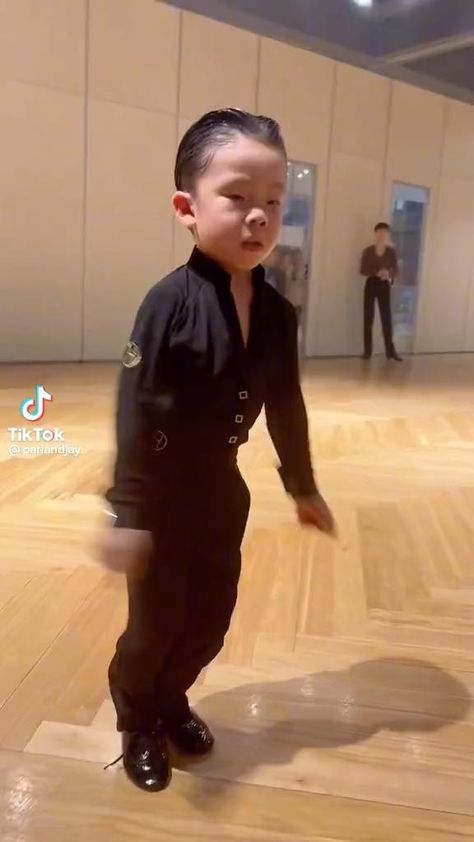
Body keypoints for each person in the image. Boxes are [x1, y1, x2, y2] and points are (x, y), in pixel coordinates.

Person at [98, 108, 335, 794]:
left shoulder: (278, 314)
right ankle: (139, 720)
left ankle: (172, 698)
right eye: (236, 196)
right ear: (188, 208)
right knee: (155, 625)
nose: (258, 215)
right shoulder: (168, 302)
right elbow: (136, 408)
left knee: (209, 622)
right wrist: (128, 514)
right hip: (161, 498)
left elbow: (286, 403)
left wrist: (302, 486)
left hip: (223, 495)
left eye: (273, 201)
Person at [360, 222, 402, 361]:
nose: (382, 236)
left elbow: (396, 269)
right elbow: (363, 269)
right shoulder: (368, 251)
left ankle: (390, 351)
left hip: (384, 284)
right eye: (379, 233)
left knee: (386, 318)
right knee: (368, 317)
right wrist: (376, 272)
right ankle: (367, 351)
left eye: (384, 233)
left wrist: (388, 274)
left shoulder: (391, 252)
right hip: (371, 283)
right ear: (375, 234)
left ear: (388, 235)